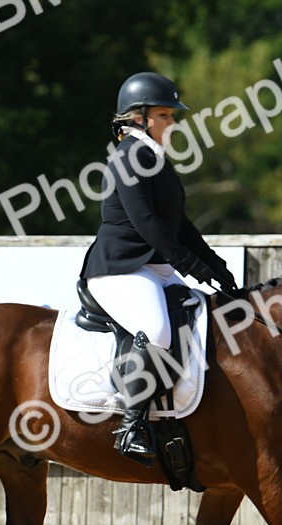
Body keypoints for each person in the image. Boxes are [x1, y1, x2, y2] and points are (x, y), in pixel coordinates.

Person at [80, 71, 237, 465]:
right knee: (157, 330)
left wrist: (216, 268)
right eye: (165, 114)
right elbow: (147, 225)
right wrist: (192, 267)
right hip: (120, 270)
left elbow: (180, 224)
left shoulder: (153, 156)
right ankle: (132, 425)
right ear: (139, 117)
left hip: (153, 268)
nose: (173, 122)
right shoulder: (130, 156)